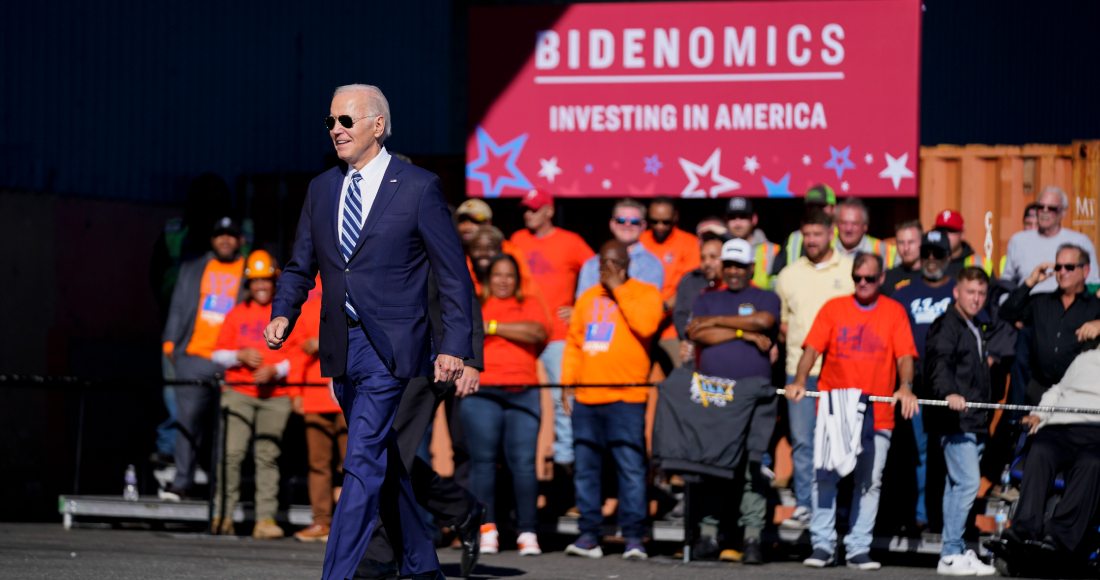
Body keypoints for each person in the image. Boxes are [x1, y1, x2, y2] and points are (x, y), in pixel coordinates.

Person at [265, 84, 472, 580]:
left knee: (360, 460)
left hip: (394, 348)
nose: (335, 130)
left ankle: (335, 575)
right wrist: (283, 311)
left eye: (346, 121)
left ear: (377, 126)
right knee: (383, 462)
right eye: (331, 122)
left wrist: (457, 347)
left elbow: (453, 275)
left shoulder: (418, 186)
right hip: (342, 344)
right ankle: (423, 568)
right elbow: (300, 265)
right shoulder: (321, 189)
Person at [786, 254, 919, 570]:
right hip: (835, 409)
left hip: (878, 412)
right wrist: (801, 380)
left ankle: (858, 547)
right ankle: (822, 545)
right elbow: (811, 349)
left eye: (869, 279)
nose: (862, 283)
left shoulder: (893, 312)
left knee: (868, 482)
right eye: (857, 277)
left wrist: (906, 386)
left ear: (881, 278)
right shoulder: (834, 309)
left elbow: (905, 356)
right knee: (825, 478)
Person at [562, 240, 663, 561]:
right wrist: (567, 385)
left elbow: (646, 325)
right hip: (588, 398)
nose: (608, 269)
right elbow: (574, 343)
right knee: (587, 469)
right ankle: (589, 536)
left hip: (626, 397)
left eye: (615, 263)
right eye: (604, 263)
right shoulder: (587, 299)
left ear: (626, 265)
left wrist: (620, 288)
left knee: (631, 467)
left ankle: (634, 537)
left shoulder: (646, 292)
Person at [684, 238, 782, 565]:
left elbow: (764, 322)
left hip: (754, 393)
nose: (735, 271)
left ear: (751, 267)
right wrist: (743, 333)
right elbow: (697, 333)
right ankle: (709, 535)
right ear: (722, 267)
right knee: (713, 463)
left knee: (754, 464)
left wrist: (717, 322)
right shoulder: (705, 298)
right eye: (729, 265)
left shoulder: (766, 296)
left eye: (741, 265)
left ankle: (752, 537)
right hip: (713, 392)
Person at [460, 254, 549, 556]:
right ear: (488, 278)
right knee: (483, 463)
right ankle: (487, 530)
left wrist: (492, 327)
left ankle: (527, 530)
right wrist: (495, 327)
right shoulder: (475, 302)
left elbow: (536, 332)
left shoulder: (530, 303)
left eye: (509, 275)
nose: (503, 280)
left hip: (524, 391)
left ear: (517, 279)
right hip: (482, 390)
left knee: (523, 464)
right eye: (497, 274)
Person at [210, 250, 302, 539]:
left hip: (274, 396)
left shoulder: (285, 312)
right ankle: (222, 515)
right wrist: (240, 355)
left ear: (274, 280)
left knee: (267, 456)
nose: (261, 285)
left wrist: (276, 371)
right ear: (248, 284)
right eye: (255, 280)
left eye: (266, 279)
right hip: (239, 392)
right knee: (232, 455)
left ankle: (265, 519)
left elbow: (297, 355)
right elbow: (217, 354)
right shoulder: (237, 313)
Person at [774, 209, 855, 530]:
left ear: (831, 234)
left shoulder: (850, 271)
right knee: (803, 442)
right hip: (799, 372)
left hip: (842, 372)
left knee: (840, 443)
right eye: (806, 235)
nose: (811, 240)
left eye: (817, 234)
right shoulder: (788, 275)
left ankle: (840, 508)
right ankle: (806, 505)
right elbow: (782, 324)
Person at [508, 188, 594, 476]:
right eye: (525, 209)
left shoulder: (570, 242)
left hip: (558, 335)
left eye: (534, 209)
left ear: (549, 211)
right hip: (525, 334)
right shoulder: (517, 240)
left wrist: (580, 306)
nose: (528, 214)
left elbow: (597, 272)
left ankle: (565, 462)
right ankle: (524, 463)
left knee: (561, 399)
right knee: (522, 396)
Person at [159, 216, 246, 502]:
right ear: (212, 239)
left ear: (240, 241)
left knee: (231, 429)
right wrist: (171, 343)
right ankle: (182, 482)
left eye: (231, 235)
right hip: (194, 356)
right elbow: (179, 304)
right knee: (187, 423)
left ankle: (224, 490)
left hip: (234, 360)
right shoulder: (193, 267)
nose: (225, 240)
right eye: (220, 235)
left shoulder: (250, 273)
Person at [923, 267, 998, 576]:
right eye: (970, 292)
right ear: (957, 292)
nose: (976, 299)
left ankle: (954, 551)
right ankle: (951, 553)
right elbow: (938, 362)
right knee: (968, 483)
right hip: (955, 421)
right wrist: (949, 392)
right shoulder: (947, 325)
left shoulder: (974, 325)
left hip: (974, 421)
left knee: (957, 486)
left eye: (981, 293)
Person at [998, 344, 1100, 560]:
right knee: (1041, 449)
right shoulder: (1085, 358)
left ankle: (1059, 537)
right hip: (1061, 425)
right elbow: (1058, 390)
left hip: (1096, 430)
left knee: (1093, 462)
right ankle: (1023, 529)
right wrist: (1038, 414)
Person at [891, 230, 956, 533]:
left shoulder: (960, 291)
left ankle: (945, 517)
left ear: (948, 256)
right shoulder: (903, 293)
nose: (931, 260)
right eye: (926, 253)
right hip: (914, 384)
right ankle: (919, 514)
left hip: (952, 387)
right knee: (917, 451)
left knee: (948, 451)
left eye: (938, 254)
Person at [1000, 244, 1100, 404]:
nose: (1062, 272)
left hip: (1076, 394)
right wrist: (1030, 282)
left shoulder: (1096, 305)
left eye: (1069, 267)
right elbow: (1007, 312)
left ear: (1085, 271)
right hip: (1038, 392)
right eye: (1058, 267)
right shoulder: (1041, 301)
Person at [292, 277, 349, 543]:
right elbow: (296, 351)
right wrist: (295, 392)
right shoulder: (308, 306)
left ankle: (352, 524)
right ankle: (322, 522)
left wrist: (323, 342)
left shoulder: (354, 294)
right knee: (318, 465)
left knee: (352, 464)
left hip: (348, 395)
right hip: (315, 396)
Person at [639, 197, 699, 374]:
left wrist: (660, 308)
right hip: (641, 327)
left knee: (682, 378)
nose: (659, 226)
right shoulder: (639, 241)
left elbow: (688, 289)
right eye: (654, 221)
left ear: (675, 217)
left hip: (672, 329)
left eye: (665, 222)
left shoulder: (689, 243)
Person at [1001, 186, 1100, 292]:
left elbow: (1092, 283)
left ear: (1063, 212)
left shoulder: (1080, 242)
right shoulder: (1018, 241)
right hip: (1027, 306)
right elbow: (1006, 282)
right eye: (1040, 207)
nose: (1045, 211)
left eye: (1051, 208)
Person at [575, 199, 664, 298]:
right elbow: (584, 304)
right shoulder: (591, 264)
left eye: (634, 221)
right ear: (612, 224)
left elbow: (647, 306)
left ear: (643, 226)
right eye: (621, 220)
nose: (627, 225)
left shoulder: (652, 264)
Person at [673, 235, 729, 363]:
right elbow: (683, 316)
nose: (707, 262)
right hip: (700, 354)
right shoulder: (694, 285)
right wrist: (689, 339)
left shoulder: (736, 288)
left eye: (713, 257)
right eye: (703, 258)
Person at [770, 184, 838, 276]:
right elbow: (777, 276)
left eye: (821, 205)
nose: (815, 210)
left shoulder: (845, 235)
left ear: (834, 208)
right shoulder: (793, 239)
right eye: (811, 206)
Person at [725, 197, 780, 289]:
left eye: (743, 216)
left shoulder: (774, 250)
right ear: (725, 219)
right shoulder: (719, 248)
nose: (737, 223)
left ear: (754, 219)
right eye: (732, 217)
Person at [832, 197, 896, 264]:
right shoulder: (825, 247)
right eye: (843, 223)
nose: (848, 228)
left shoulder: (885, 251)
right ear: (836, 223)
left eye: (855, 223)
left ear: (865, 226)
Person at [933, 210, 993, 276]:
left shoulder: (980, 264)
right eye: (940, 230)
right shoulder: (927, 261)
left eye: (951, 230)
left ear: (962, 235)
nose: (945, 235)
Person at [882, 220, 922, 297]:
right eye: (901, 243)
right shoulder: (887, 278)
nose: (906, 248)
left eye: (911, 242)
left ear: (922, 241)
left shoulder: (934, 275)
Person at [998, 203, 1040, 277]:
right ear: (1023, 224)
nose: (1033, 229)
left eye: (1037, 224)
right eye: (1029, 224)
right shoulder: (1015, 247)